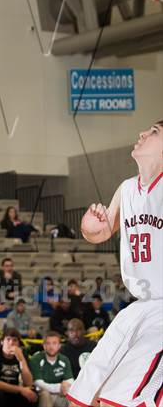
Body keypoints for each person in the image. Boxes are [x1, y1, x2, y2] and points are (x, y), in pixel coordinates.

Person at [68, 121, 163, 407]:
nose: (142, 133)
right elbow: (100, 232)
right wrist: (88, 227)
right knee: (83, 394)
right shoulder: (126, 189)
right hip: (138, 308)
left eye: (155, 132)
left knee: (119, 399)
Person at [0, 328, 37, 407]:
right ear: (2, 342)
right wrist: (20, 389)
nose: (11, 343)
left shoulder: (22, 355)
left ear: (18, 344)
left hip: (13, 391)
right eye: (8, 339)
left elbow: (28, 383)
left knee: (31, 392)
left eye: (15, 340)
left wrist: (21, 360)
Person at [30, 331, 73, 407]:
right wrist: (60, 387)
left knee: (72, 394)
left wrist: (66, 386)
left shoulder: (64, 359)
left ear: (59, 345)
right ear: (43, 346)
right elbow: (39, 383)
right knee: (45, 394)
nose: (51, 346)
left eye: (54, 343)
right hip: (41, 395)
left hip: (60, 395)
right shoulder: (36, 359)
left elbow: (70, 380)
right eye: (48, 343)